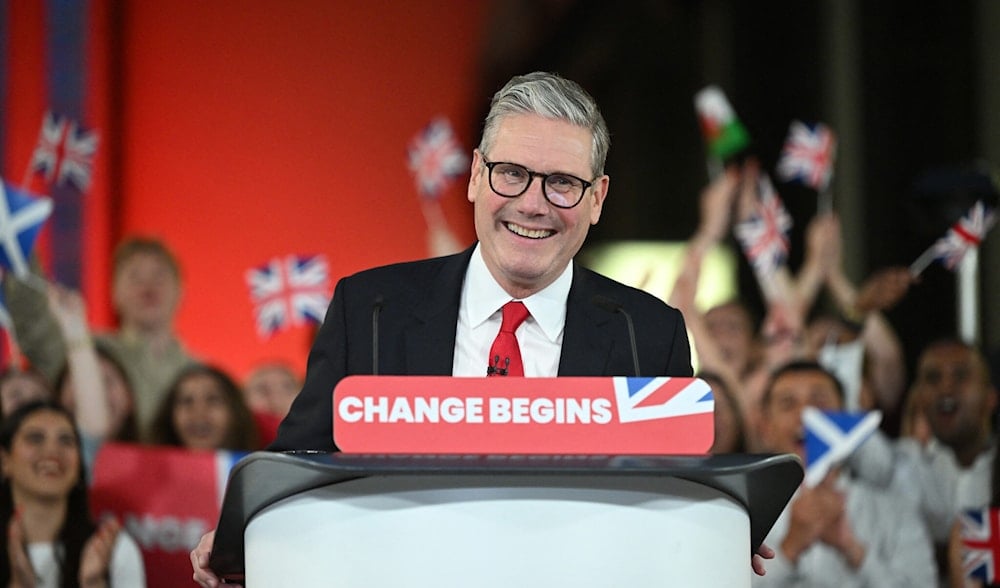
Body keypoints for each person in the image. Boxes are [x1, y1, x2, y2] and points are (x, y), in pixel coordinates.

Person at [192, 71, 697, 587]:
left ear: (597, 198)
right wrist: (244, 536)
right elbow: (296, 466)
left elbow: (681, 502)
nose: (532, 203)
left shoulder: (650, 336)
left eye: (562, 183)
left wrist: (719, 530)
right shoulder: (370, 311)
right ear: (477, 174)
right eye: (511, 173)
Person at [753, 360, 937, 587]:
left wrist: (853, 550)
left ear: (845, 418)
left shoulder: (896, 512)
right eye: (788, 404)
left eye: (819, 401)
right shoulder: (744, 516)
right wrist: (789, 548)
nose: (806, 415)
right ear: (765, 427)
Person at [5, 238, 198, 438]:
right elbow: (33, 323)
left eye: (159, 274)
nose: (147, 286)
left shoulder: (201, 376)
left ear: (181, 290)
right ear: (114, 292)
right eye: (134, 276)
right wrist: (17, 236)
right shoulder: (84, 351)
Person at [0, 400, 146, 586]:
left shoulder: (115, 551)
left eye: (66, 441)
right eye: (35, 438)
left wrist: (93, 583)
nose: (52, 451)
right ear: (4, 460)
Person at [149, 364, 260, 451]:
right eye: (187, 401)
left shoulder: (258, 473)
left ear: (235, 412)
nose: (199, 412)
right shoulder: (147, 474)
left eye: (212, 400)